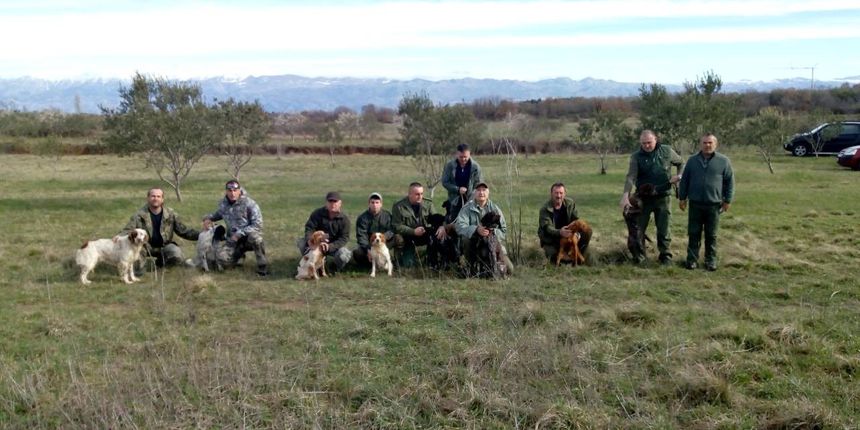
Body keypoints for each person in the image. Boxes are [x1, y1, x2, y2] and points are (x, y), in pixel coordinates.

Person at [621, 130, 684, 265]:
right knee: (638, 228)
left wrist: (679, 178)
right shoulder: (636, 157)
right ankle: (639, 257)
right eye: (643, 143)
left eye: (649, 142)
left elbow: (680, 163)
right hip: (643, 198)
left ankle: (665, 256)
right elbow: (631, 176)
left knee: (664, 228)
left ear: (656, 139)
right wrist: (626, 195)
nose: (646, 146)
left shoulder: (666, 151)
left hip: (663, 196)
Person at [678, 133, 735, 271]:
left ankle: (711, 261)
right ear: (700, 144)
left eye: (710, 143)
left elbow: (729, 182)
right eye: (704, 143)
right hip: (695, 203)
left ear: (715, 144)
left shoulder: (723, 161)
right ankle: (692, 260)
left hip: (714, 204)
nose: (707, 145)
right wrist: (682, 198)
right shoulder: (692, 161)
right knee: (693, 233)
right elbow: (685, 180)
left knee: (711, 234)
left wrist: (727, 200)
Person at [121, 187, 199, 270]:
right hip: (144, 246)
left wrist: (202, 234)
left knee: (176, 255)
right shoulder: (139, 215)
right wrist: (118, 238)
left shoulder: (170, 214)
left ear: (162, 199)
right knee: (137, 270)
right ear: (148, 198)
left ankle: (160, 263)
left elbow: (183, 231)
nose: (155, 199)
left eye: (158, 196)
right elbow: (127, 230)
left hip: (165, 246)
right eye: (153, 196)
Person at [203, 180, 268, 276]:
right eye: (229, 190)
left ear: (239, 190)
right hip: (232, 241)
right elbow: (218, 214)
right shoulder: (223, 204)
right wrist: (207, 218)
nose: (232, 193)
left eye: (235, 190)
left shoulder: (250, 204)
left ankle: (263, 268)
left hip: (248, 238)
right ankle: (239, 256)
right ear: (226, 191)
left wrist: (239, 234)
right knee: (222, 261)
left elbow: (257, 225)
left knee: (256, 238)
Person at [453, 181, 513, 275]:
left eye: (484, 190)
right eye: (478, 190)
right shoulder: (466, 208)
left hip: (491, 245)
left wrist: (491, 232)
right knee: (466, 239)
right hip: (473, 246)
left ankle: (489, 265)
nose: (481, 193)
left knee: (510, 270)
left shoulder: (495, 209)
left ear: (488, 192)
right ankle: (470, 264)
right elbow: (459, 227)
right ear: (474, 193)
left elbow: (504, 230)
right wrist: (476, 230)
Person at [391, 182, 448, 268]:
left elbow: (436, 219)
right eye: (417, 194)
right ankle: (400, 260)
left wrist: (442, 226)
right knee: (409, 265)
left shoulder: (428, 204)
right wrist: (413, 231)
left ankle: (435, 261)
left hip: (425, 235)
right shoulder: (399, 206)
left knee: (437, 234)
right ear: (410, 194)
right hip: (408, 237)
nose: (420, 196)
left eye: (421, 194)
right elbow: (396, 226)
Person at [537, 182, 591, 263]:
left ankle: (579, 253)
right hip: (551, 239)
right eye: (556, 193)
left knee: (588, 231)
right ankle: (567, 257)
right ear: (551, 194)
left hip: (569, 236)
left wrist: (576, 233)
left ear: (565, 194)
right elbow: (547, 228)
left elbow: (575, 219)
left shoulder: (570, 203)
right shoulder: (545, 209)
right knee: (553, 256)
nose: (558, 196)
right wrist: (560, 232)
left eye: (561, 193)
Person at [298, 191, 352, 272]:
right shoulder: (317, 214)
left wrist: (330, 246)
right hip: (317, 244)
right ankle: (311, 264)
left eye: (335, 201)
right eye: (330, 201)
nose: (332, 204)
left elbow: (344, 238)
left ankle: (335, 268)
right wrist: (311, 240)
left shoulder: (344, 219)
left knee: (344, 254)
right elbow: (309, 228)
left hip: (334, 247)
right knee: (301, 243)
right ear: (326, 203)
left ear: (340, 203)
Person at [441, 143, 483, 219]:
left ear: (469, 154)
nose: (463, 159)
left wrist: (473, 197)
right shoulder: (450, 166)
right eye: (461, 157)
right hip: (454, 202)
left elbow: (479, 185)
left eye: (465, 157)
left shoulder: (475, 167)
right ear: (457, 154)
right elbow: (445, 182)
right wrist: (457, 189)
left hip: (471, 202)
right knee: (454, 224)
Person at [353, 192, 394, 267]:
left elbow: (391, 230)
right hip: (370, 244)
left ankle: (394, 261)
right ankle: (368, 265)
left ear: (381, 204)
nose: (375, 205)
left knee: (398, 239)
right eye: (372, 202)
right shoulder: (362, 218)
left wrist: (383, 238)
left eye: (377, 202)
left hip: (384, 242)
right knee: (357, 252)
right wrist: (368, 249)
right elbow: (361, 236)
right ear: (369, 204)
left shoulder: (387, 215)